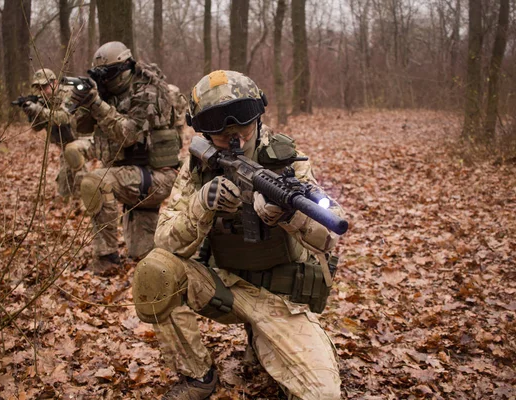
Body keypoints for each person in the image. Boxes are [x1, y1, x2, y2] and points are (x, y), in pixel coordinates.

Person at [132, 70, 345, 399]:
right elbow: (164, 238)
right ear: (202, 128)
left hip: (280, 301)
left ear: (259, 113)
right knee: (155, 271)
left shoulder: (287, 162)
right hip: (224, 287)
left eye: (243, 118)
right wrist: (202, 205)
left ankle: (261, 341)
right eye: (217, 124)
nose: (234, 133)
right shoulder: (198, 167)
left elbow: (331, 231)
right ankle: (198, 377)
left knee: (323, 394)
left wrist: (290, 215)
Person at [70, 41, 180, 275]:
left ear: (125, 68)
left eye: (108, 75)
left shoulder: (149, 91)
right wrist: (85, 101)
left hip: (159, 177)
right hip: (134, 178)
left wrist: (97, 104)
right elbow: (80, 127)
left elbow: (129, 135)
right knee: (143, 254)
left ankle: (106, 259)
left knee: (95, 182)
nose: (105, 80)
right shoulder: (108, 93)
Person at [21, 68, 78, 200]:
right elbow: (36, 128)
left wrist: (39, 110)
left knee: (81, 177)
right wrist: (32, 114)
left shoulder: (68, 93)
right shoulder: (43, 101)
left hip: (82, 141)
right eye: (39, 88)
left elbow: (64, 118)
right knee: (64, 186)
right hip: (65, 144)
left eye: (45, 86)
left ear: (55, 83)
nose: (43, 91)